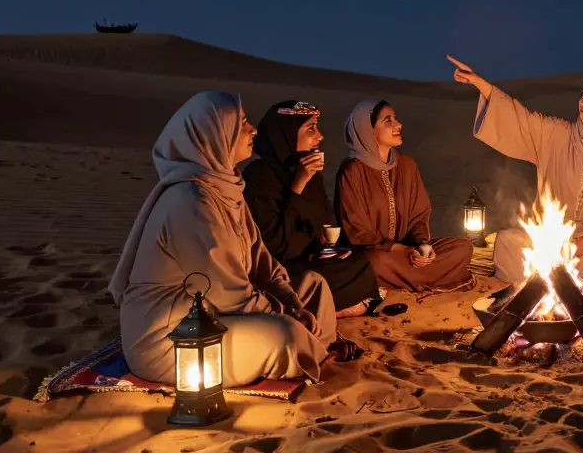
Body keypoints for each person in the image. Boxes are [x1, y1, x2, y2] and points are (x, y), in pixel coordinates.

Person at [109, 91, 336, 387]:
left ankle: (308, 347)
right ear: (214, 134)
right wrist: (287, 317)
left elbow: (261, 261)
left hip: (220, 313)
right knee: (286, 335)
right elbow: (229, 294)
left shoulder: (226, 188)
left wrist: (291, 302)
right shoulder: (191, 201)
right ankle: (307, 347)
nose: (253, 130)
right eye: (242, 123)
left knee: (313, 286)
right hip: (176, 337)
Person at [448, 56, 583, 300]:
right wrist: (480, 84)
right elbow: (523, 120)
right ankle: (557, 273)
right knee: (508, 241)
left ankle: (549, 274)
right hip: (551, 236)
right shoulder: (559, 135)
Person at [244, 100, 381, 317]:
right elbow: (273, 243)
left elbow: (317, 223)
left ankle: (339, 307)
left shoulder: (308, 173)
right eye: (310, 129)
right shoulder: (259, 176)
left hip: (310, 260)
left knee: (357, 262)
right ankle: (341, 309)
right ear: (285, 135)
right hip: (278, 268)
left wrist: (324, 244)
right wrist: (297, 186)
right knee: (310, 280)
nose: (320, 136)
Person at [334, 99, 474, 292]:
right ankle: (433, 279)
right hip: (377, 253)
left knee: (463, 247)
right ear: (368, 130)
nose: (398, 125)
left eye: (396, 119)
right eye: (388, 121)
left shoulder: (407, 165)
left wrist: (422, 245)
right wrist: (399, 249)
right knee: (373, 262)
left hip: (407, 255)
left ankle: (413, 279)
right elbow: (357, 231)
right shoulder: (352, 171)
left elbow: (419, 215)